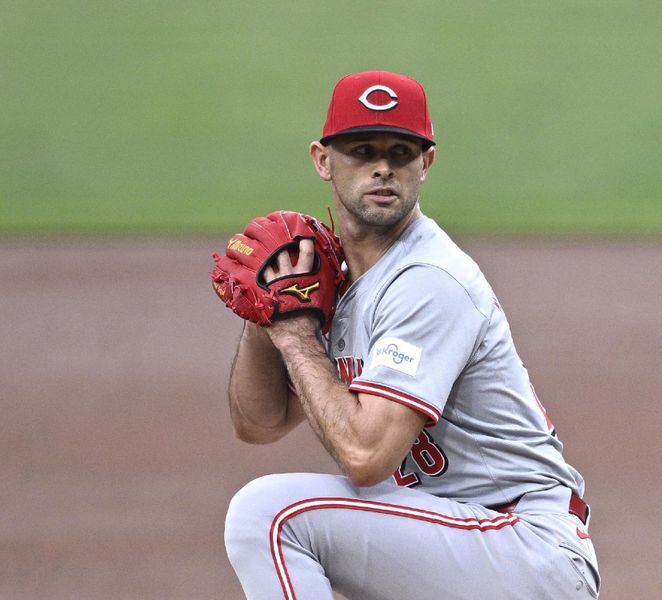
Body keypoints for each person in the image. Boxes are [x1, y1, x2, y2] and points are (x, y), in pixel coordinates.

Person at [222, 70, 600, 599]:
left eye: (401, 152)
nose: (382, 167)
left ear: (426, 163)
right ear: (323, 160)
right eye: (362, 150)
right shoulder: (334, 279)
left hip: (522, 544)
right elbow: (259, 424)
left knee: (269, 515)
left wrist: (293, 334)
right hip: (454, 540)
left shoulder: (427, 279)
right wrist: (265, 316)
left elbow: (365, 457)